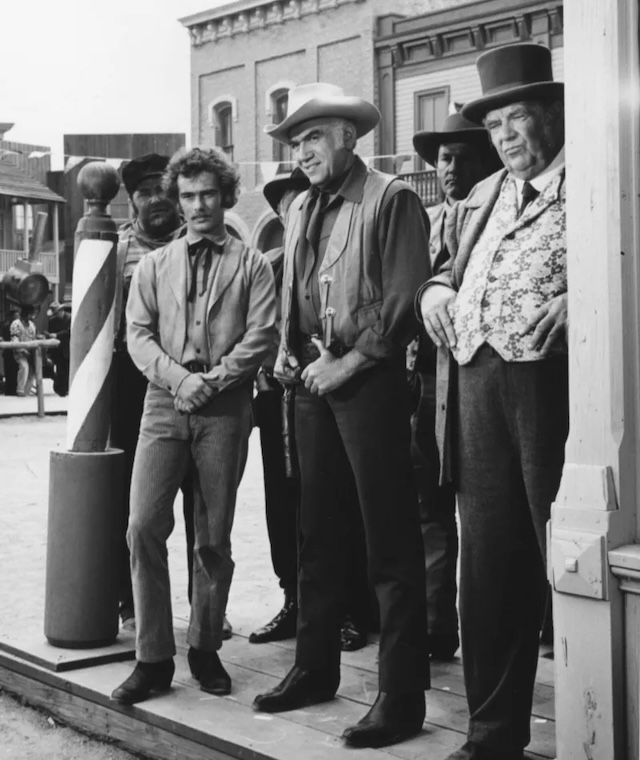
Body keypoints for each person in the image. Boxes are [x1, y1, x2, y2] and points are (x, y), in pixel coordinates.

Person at [254, 83, 430, 750]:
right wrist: (284, 356)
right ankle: (313, 667)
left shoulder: (392, 198)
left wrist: (346, 365)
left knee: (388, 542)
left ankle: (402, 696)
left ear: (348, 138)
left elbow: (405, 303)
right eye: (295, 142)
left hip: (370, 387)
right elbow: (291, 291)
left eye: (314, 138)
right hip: (308, 389)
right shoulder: (298, 206)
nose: (303, 152)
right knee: (315, 534)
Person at [418, 43, 567, 760]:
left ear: (552, 115)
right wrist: (435, 291)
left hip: (551, 389)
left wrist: (582, 297)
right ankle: (491, 736)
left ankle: (603, 723)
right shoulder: (483, 193)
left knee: (565, 559)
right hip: (475, 388)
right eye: (496, 124)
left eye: (519, 118)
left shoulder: (600, 182)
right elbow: (441, 269)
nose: (506, 136)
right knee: (488, 566)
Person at [110, 147, 276, 705]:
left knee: (212, 536)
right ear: (177, 201)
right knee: (142, 526)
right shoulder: (154, 266)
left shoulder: (253, 264)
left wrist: (217, 379)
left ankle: (205, 649)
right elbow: (137, 335)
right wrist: (181, 381)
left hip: (225, 410)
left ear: (225, 196)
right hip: (163, 405)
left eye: (207, 194)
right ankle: (153, 659)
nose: (197, 205)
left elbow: (262, 335)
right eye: (187, 195)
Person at [250, 168, 372, 651]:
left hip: (333, 398)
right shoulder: (271, 265)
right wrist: (267, 364)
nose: (295, 211)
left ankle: (347, 609)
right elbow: (254, 325)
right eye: (286, 204)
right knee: (283, 505)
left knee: (337, 504)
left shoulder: (340, 259)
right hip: (277, 402)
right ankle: (294, 599)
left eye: (301, 200)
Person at [111, 154, 232, 639]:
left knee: (203, 504)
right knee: (137, 506)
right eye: (144, 194)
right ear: (132, 199)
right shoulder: (116, 251)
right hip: (133, 388)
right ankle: (134, 606)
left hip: (202, 386)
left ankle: (204, 611)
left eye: (164, 192)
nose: (156, 202)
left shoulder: (207, 246)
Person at [410, 112, 499, 661]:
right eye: (444, 157)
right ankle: (436, 627)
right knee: (429, 506)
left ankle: (534, 625)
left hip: (482, 380)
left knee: (495, 513)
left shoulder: (499, 216)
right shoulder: (425, 222)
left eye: (465, 155)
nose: (451, 167)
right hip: (426, 385)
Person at [46, 301, 71, 397]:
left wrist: (57, 335)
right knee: (60, 370)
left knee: (67, 369)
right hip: (57, 349)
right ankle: (61, 390)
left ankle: (67, 388)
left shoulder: (69, 318)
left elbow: (70, 332)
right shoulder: (52, 321)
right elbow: (51, 332)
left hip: (67, 347)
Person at [10, 306, 37, 396]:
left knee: (33, 369)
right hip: (19, 352)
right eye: (30, 314)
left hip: (31, 352)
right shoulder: (16, 324)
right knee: (24, 366)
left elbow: (34, 338)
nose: (31, 316)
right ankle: (20, 390)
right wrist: (21, 349)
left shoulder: (32, 325)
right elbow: (14, 338)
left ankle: (27, 390)